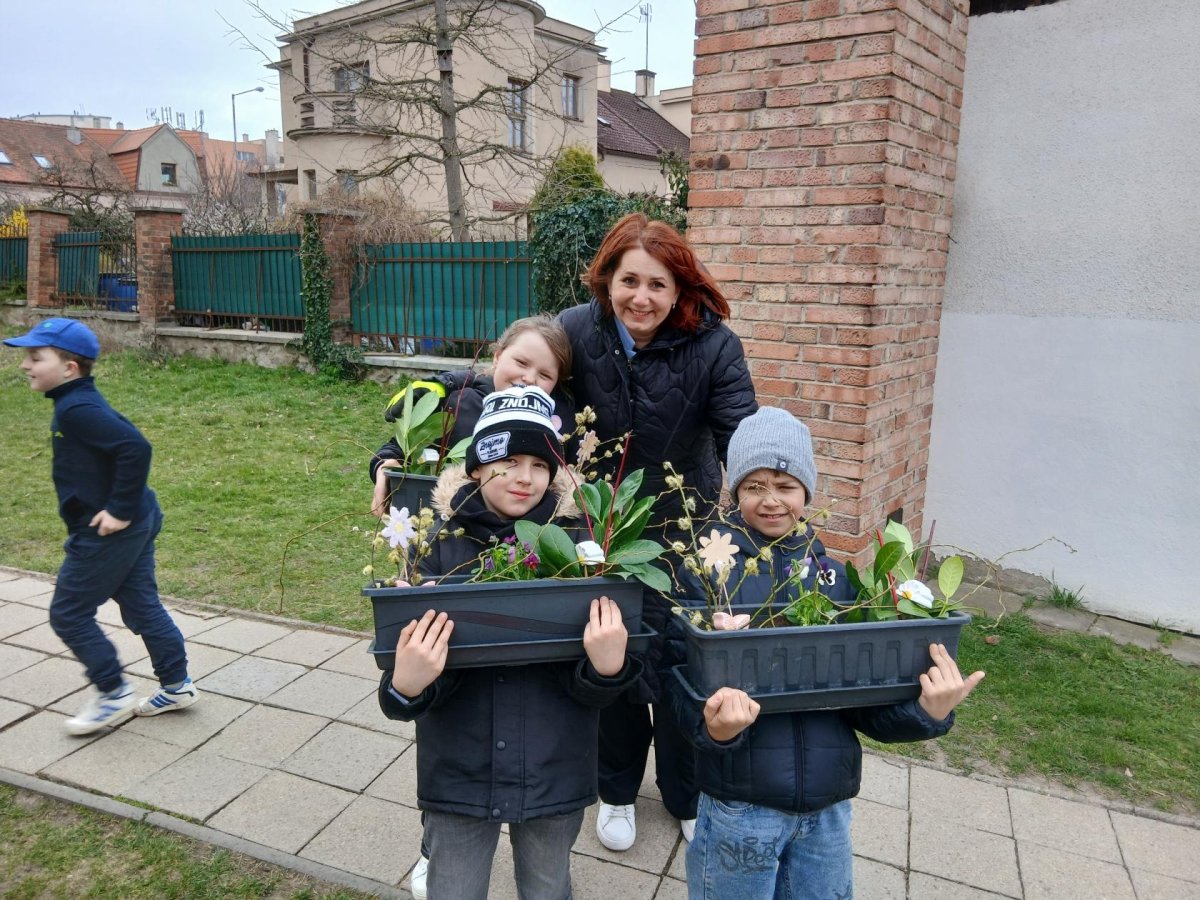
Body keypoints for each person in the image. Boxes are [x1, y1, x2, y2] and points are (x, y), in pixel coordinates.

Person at [665, 407, 986, 899]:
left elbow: (863, 705)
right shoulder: (708, 576)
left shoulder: (837, 584)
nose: (771, 500)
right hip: (739, 807)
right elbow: (672, 682)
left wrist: (926, 712)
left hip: (827, 813)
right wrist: (713, 728)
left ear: (808, 492)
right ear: (735, 492)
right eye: (754, 486)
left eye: (786, 485)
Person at [377, 385, 642, 900]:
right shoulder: (437, 546)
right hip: (460, 771)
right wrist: (405, 686)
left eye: (540, 465)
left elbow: (594, 688)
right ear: (477, 468)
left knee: (547, 887)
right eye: (509, 461)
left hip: (553, 770)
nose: (525, 477)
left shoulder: (583, 551)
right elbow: (407, 681)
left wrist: (607, 669)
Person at [556, 213, 758, 849]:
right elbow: (510, 382)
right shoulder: (573, 330)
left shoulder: (715, 346)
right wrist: (397, 454)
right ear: (606, 280)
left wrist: (762, 509)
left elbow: (741, 439)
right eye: (629, 281)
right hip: (601, 532)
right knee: (611, 660)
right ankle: (616, 792)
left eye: (658, 284)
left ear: (679, 291)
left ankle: (685, 794)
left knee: (680, 664)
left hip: (683, 531)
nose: (641, 298)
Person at [3, 318, 198, 735]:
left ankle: (113, 691)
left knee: (69, 614)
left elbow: (135, 447)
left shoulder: (77, 409)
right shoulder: (76, 401)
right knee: (141, 605)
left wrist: (119, 510)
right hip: (139, 518)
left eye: (36, 357)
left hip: (109, 529)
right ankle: (177, 686)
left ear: (69, 368)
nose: (25, 365)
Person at [369, 315, 575, 517]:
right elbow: (399, 449)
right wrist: (386, 467)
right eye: (521, 362)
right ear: (497, 357)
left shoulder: (559, 427)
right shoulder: (459, 404)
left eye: (545, 375)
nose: (529, 378)